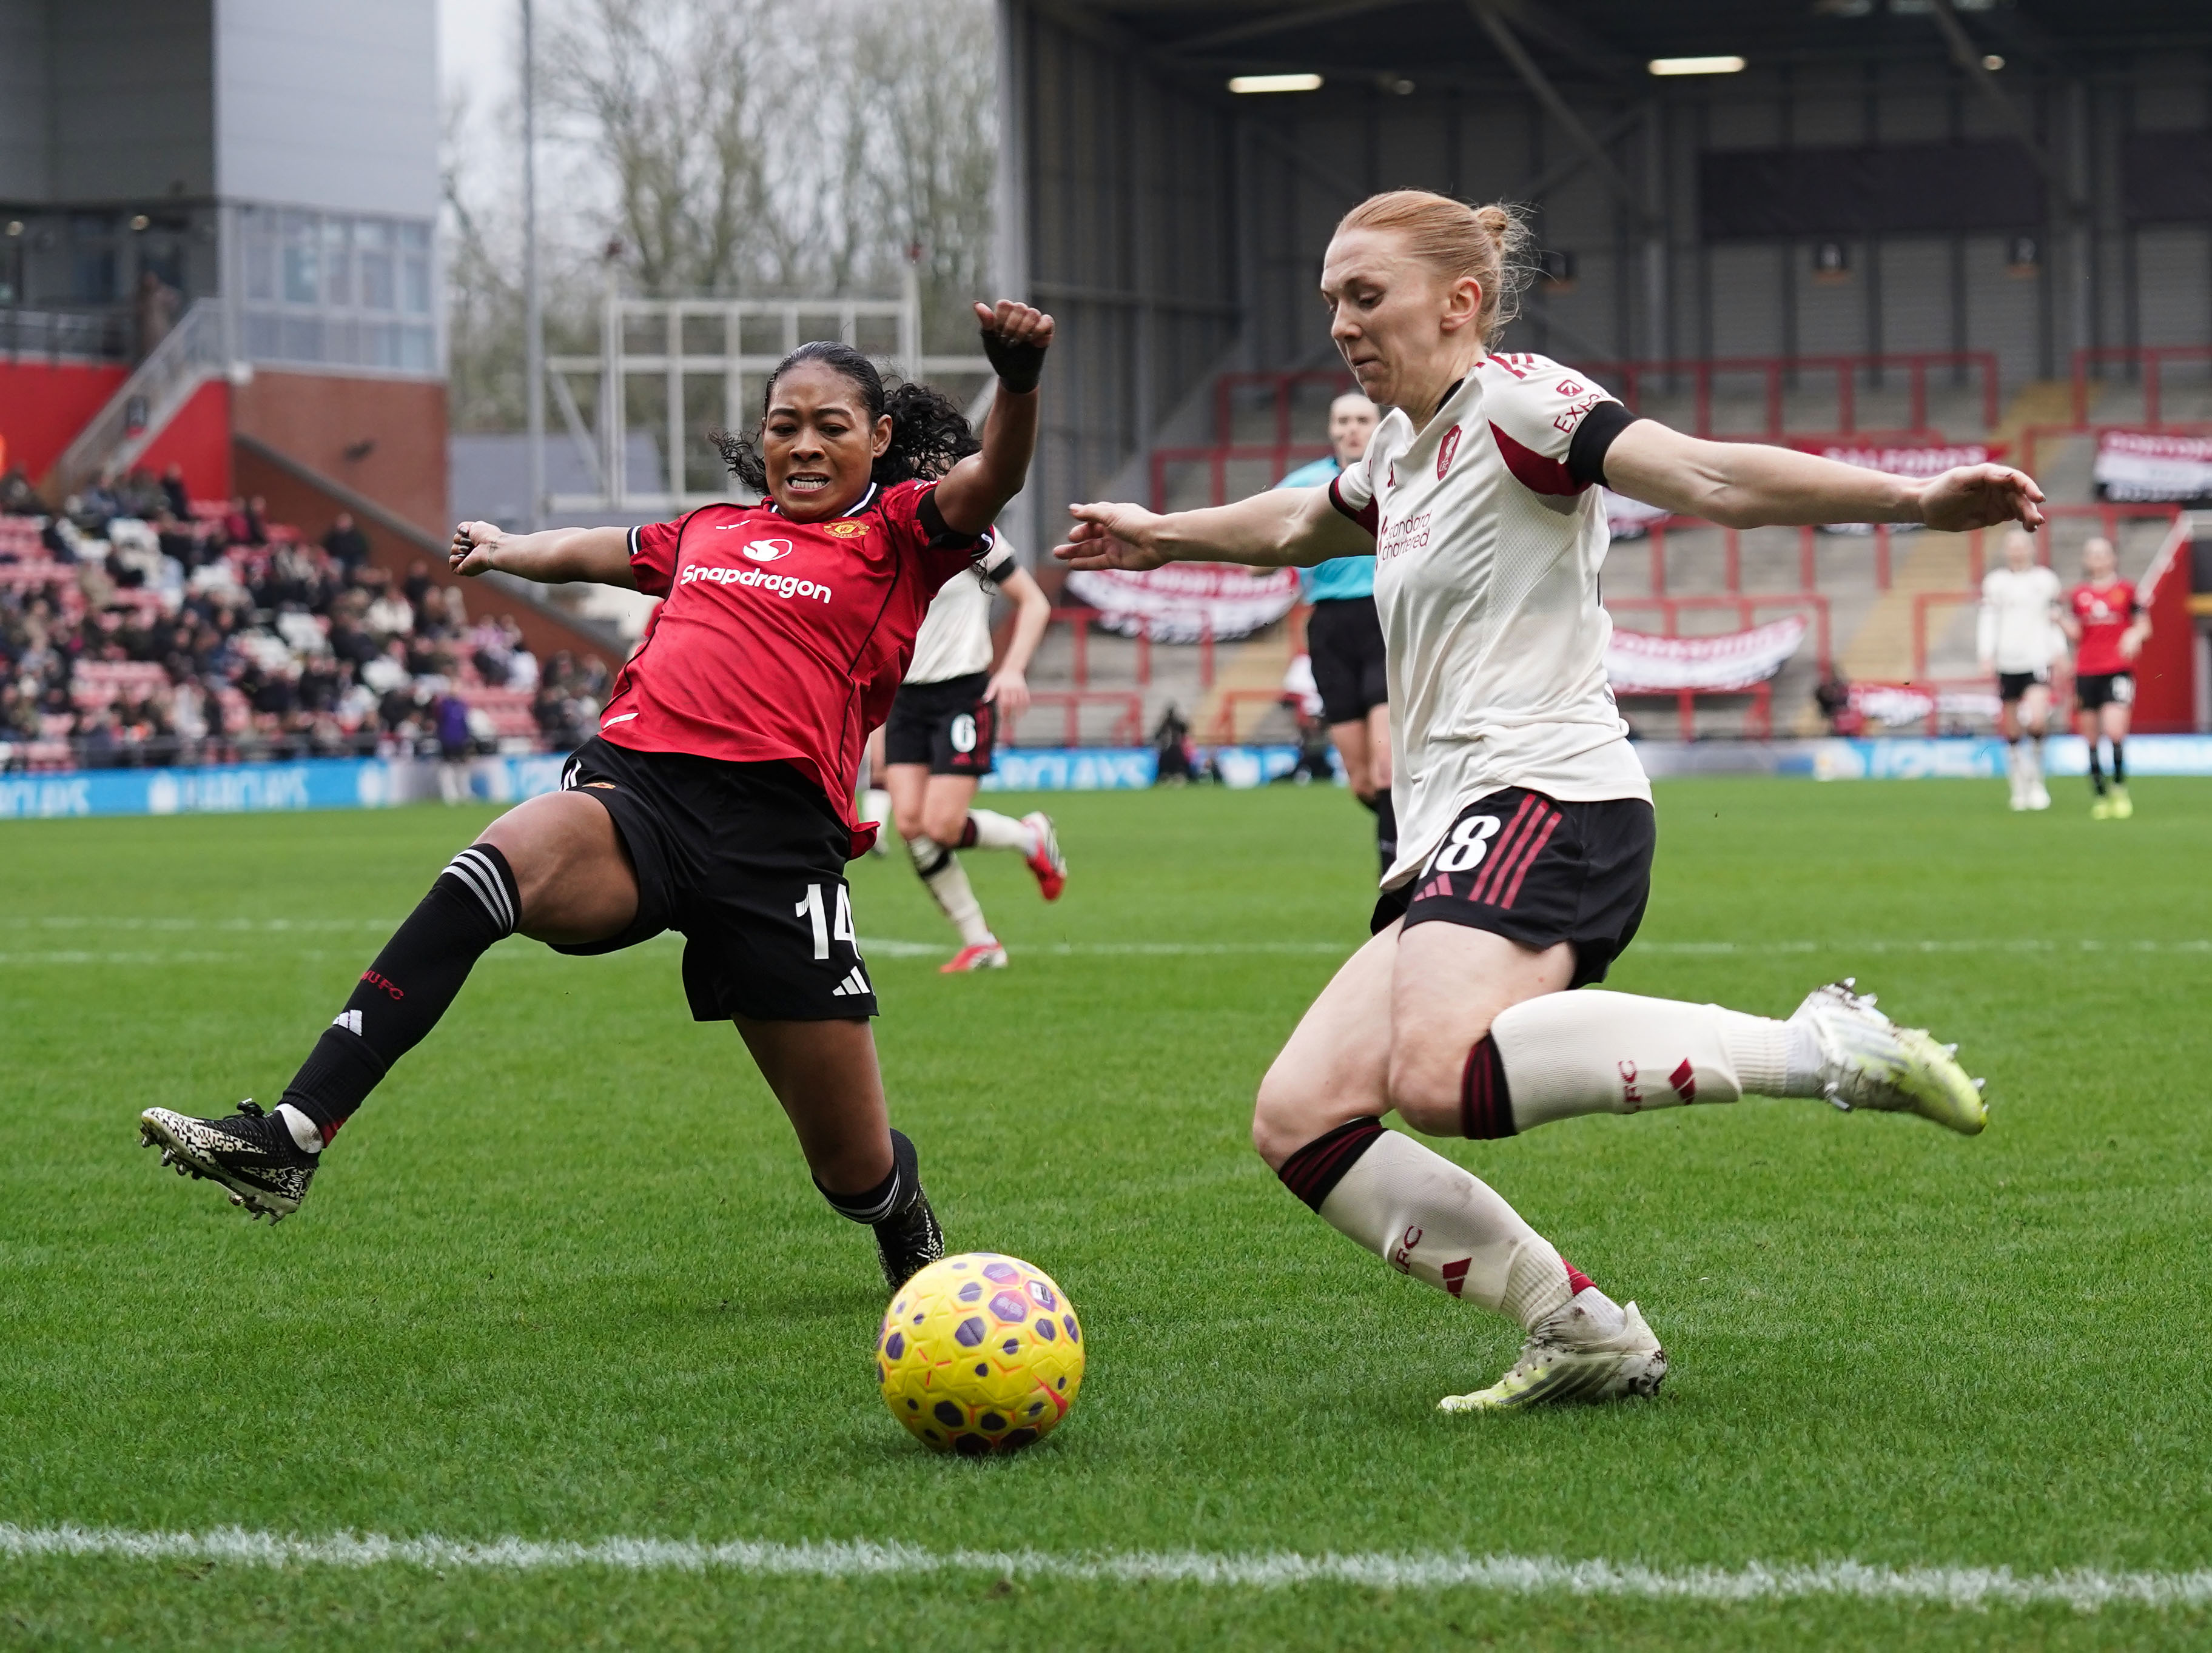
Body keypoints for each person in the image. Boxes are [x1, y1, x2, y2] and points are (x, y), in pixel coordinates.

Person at [1057, 190, 2036, 1410]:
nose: (1341, 324)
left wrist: (1911, 501)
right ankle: (1578, 1327)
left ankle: (1817, 1047)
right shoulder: (1397, 449)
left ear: (1457, 301)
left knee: (1435, 1073)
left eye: (1365, 296)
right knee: (1300, 1116)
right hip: (1453, 828)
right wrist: (1162, 535)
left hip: (1547, 791)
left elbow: (1705, 475)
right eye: (1330, 302)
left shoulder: (1521, 404)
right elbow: (1303, 520)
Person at [138, 297, 1055, 1295]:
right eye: (782, 424)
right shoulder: (708, 530)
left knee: (852, 1169)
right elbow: (594, 548)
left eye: (829, 426)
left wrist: (1015, 381)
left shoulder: (901, 531)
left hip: (777, 849)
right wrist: (505, 547)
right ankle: (292, 1135)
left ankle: (897, 1209)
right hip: (638, 795)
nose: (801, 444)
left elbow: (993, 477)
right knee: (485, 872)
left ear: (877, 438)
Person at [882, 413, 1063, 972]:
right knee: (910, 827)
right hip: (905, 698)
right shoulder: (885, 527)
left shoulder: (969, 530)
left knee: (940, 826)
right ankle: (979, 940)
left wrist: (1012, 671)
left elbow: (1033, 602)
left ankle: (1030, 837)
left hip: (961, 693)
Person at [1280, 392, 1394, 871]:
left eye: (1362, 419)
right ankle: (1415, 837)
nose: (1352, 429)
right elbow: (1257, 558)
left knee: (1388, 770)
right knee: (1363, 782)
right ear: (1330, 429)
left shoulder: (1401, 475)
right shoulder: (1303, 486)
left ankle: (1399, 884)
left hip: (1386, 619)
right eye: (1343, 420)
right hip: (1328, 628)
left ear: (1379, 426)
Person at [2062, 536, 2149, 820]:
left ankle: (2120, 790)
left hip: (2117, 669)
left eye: (2102, 553)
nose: (2098, 559)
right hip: (2086, 671)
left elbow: (2144, 625)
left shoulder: (2127, 590)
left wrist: (2134, 634)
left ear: (2113, 558)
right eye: (2092, 554)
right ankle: (2100, 795)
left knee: (2114, 730)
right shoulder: (2079, 595)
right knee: (2090, 736)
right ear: (2086, 560)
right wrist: (2059, 621)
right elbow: (2077, 635)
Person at [1976, 529, 2063, 811]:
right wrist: (1986, 654)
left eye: (2022, 546)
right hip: (2007, 661)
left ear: (2031, 548)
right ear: (2006, 551)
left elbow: (2053, 618)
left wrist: (2059, 651)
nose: (2017, 551)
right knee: (2012, 729)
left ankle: (2037, 781)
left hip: (2037, 658)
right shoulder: (1995, 582)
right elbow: (1988, 620)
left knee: (2037, 721)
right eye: (2012, 546)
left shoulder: (2046, 580)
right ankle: (2018, 784)